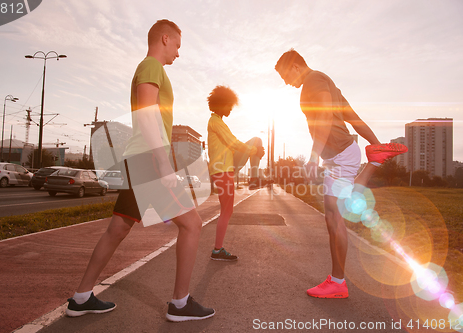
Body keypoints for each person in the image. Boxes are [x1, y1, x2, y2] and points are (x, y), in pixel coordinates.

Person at [66, 19, 215, 322]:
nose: (178, 53)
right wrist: (162, 162)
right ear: (164, 38)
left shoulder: (149, 68)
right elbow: (148, 116)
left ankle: (80, 297)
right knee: (192, 224)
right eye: (177, 45)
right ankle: (180, 303)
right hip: (148, 160)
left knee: (118, 228)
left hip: (139, 159)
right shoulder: (151, 66)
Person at [275, 49, 407, 298]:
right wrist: (376, 145)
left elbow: (325, 116)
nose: (286, 83)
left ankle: (337, 283)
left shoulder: (313, 81)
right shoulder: (327, 82)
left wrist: (313, 155)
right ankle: (374, 162)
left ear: (294, 66)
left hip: (339, 155)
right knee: (333, 215)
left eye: (285, 76)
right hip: (341, 155)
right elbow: (352, 117)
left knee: (335, 217)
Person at [207, 85, 265, 261]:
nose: (231, 109)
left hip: (227, 166)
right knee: (226, 210)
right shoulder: (215, 122)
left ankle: (218, 249)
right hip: (223, 169)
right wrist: (253, 152)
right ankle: (217, 250)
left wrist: (252, 151)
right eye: (229, 105)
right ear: (222, 104)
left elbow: (231, 145)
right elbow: (233, 142)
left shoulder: (218, 122)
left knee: (227, 210)